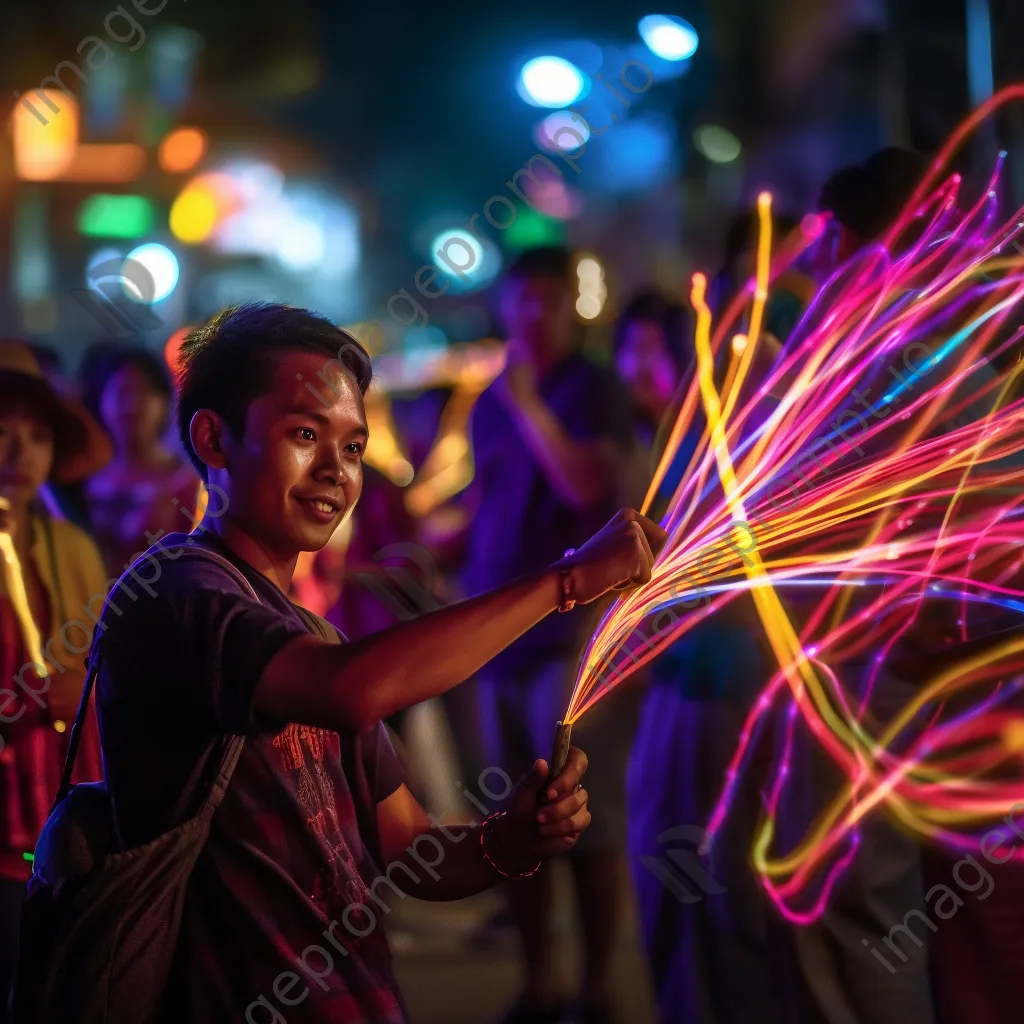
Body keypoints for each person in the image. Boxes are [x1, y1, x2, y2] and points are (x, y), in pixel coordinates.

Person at [90, 302, 664, 1023]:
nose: (336, 471)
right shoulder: (176, 594)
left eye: (354, 447)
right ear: (213, 438)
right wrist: (567, 580)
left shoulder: (306, 633)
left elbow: (410, 848)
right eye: (304, 433)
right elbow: (350, 691)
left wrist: (510, 841)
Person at [463, 247, 639, 1024]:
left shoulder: (588, 388)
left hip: (570, 638)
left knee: (578, 815)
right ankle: (539, 984)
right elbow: (489, 501)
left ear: (571, 307)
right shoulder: (489, 400)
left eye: (548, 301)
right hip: (497, 632)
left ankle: (597, 987)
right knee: (512, 823)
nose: (534, 315)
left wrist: (533, 407)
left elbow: (584, 484)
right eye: (521, 300)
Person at [0, 341, 113, 1017]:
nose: (21, 453)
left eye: (38, 437)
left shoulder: (68, 545)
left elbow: (112, 663)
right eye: (2, 434)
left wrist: (87, 686)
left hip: (63, 804)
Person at [79, 344, 201, 575]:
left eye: (144, 391)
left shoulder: (188, 484)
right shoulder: (85, 484)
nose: (132, 405)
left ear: (165, 403)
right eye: (122, 392)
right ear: (101, 401)